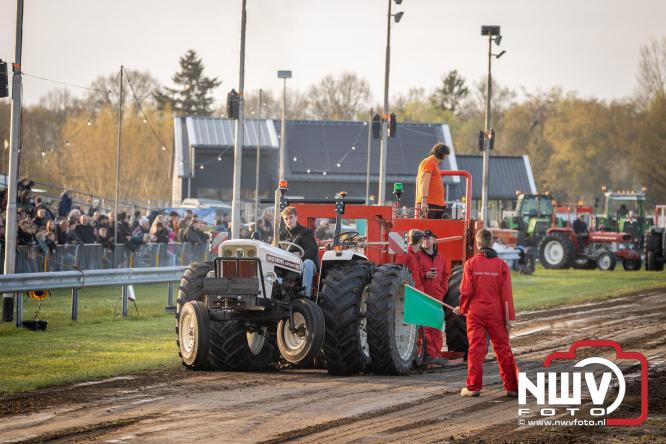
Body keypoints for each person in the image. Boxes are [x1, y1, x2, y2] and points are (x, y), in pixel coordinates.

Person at [453, 229, 518, 398]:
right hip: (496, 313)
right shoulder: (502, 266)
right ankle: (511, 387)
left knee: (476, 349)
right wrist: (508, 318)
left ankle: (473, 387)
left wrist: (462, 308)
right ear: (491, 243)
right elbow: (507, 295)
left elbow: (466, 291)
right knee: (503, 349)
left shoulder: (471, 264)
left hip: (476, 314)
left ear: (477, 243)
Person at [418, 229, 449, 365]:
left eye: (428, 238)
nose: (426, 240)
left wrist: (442, 291)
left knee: (436, 326)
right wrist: (425, 275)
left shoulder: (441, 258)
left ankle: (436, 354)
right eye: (423, 239)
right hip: (423, 296)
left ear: (434, 241)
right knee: (425, 327)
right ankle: (428, 355)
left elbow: (446, 276)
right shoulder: (418, 257)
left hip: (437, 297)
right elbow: (414, 274)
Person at [280, 206, 319, 299]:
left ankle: (306, 294)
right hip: (287, 264)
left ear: (296, 217)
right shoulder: (281, 235)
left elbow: (312, 251)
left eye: (291, 217)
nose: (289, 221)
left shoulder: (306, 232)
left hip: (303, 263)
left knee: (308, 263)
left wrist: (301, 255)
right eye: (286, 219)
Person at [416, 143, 450, 219]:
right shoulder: (429, 162)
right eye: (445, 155)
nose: (445, 158)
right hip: (430, 204)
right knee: (428, 229)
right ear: (442, 154)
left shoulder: (432, 163)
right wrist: (424, 202)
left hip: (436, 204)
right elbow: (424, 182)